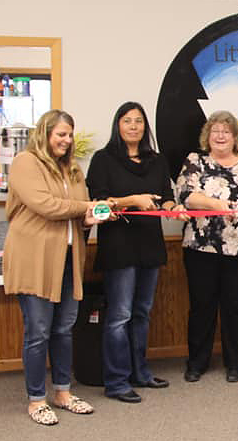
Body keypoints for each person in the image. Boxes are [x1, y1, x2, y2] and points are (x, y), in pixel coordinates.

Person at [3, 110, 107, 425]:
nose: (66, 140)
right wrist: (85, 207)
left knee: (63, 330)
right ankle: (36, 400)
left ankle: (62, 392)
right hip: (33, 260)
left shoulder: (73, 170)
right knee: (38, 331)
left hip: (67, 259)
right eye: (60, 134)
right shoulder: (26, 162)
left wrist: (92, 216)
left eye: (70, 134)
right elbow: (45, 205)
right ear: (45, 133)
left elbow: (78, 214)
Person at [86, 102, 184, 403]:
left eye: (138, 121)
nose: (133, 126)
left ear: (145, 127)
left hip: (149, 245)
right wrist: (133, 200)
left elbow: (166, 197)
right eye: (127, 121)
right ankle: (116, 381)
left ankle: (140, 372)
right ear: (118, 125)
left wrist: (174, 209)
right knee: (119, 316)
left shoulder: (156, 160)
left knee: (142, 313)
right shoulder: (103, 159)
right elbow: (97, 201)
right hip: (119, 245)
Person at [176, 110, 238, 383]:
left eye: (226, 131)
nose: (220, 136)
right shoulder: (195, 161)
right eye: (215, 130)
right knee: (202, 306)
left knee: (236, 307)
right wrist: (213, 204)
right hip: (200, 247)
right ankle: (197, 363)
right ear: (208, 135)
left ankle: (235, 363)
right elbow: (185, 194)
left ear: (235, 137)